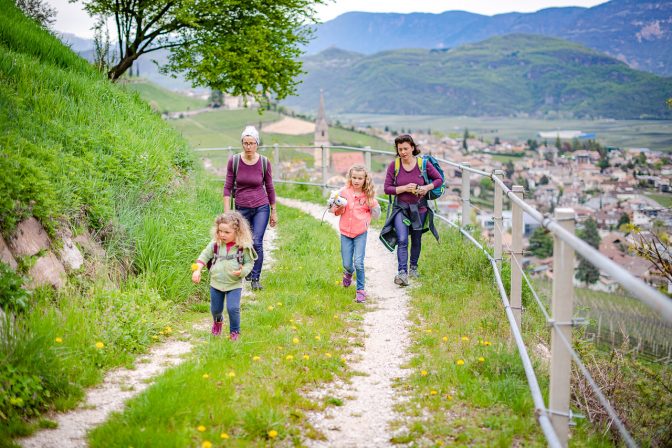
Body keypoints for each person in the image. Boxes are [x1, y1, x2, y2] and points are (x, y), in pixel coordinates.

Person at [381, 134, 441, 286]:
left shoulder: (423, 164)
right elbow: (387, 189)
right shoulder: (394, 166)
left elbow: (439, 179)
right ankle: (402, 273)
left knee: (416, 239)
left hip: (419, 208)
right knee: (402, 239)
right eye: (400, 149)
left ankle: (413, 267)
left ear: (413, 148)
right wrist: (403, 189)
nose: (403, 152)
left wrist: (425, 188)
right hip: (401, 208)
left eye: (406, 148)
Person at [223, 125, 277, 291]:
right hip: (241, 208)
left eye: (251, 143)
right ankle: (245, 270)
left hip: (261, 206)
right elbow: (227, 187)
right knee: (242, 242)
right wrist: (227, 213)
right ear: (242, 144)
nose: (248, 147)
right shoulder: (235, 161)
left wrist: (273, 211)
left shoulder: (264, 162)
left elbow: (270, 187)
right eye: (245, 143)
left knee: (257, 241)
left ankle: (255, 277)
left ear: (257, 144)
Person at [192, 211, 257, 340]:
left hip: (234, 283)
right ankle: (217, 322)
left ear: (238, 232)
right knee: (216, 309)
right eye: (220, 231)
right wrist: (197, 269)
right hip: (216, 283)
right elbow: (204, 256)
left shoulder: (243, 247)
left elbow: (250, 263)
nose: (222, 235)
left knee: (233, 309)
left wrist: (243, 271)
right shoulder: (215, 244)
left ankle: (234, 332)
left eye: (227, 232)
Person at [330, 164, 381, 303]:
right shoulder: (344, 192)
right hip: (345, 232)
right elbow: (334, 211)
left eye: (360, 178)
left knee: (359, 262)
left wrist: (373, 204)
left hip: (360, 233)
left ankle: (360, 290)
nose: (357, 181)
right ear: (350, 178)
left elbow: (377, 215)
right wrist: (337, 206)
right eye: (354, 178)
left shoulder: (368, 195)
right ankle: (348, 273)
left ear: (365, 179)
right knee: (347, 263)